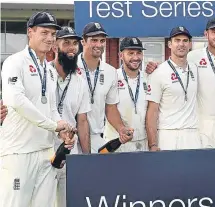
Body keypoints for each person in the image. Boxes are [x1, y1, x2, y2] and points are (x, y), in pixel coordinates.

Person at [0, 11, 74, 207]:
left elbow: (52, 108)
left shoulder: (49, 69)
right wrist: (52, 125)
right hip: (19, 153)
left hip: (45, 152)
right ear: (30, 32)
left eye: (52, 34)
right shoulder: (14, 62)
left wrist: (62, 129)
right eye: (44, 32)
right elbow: (15, 100)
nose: (49, 38)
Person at [145, 18, 215, 148]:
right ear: (206, 34)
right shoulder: (194, 56)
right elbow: (175, 63)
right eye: (214, 32)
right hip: (200, 125)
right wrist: (155, 67)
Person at [77, 22, 133, 153]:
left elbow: (110, 107)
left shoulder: (110, 71)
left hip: (97, 137)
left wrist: (121, 129)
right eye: (94, 40)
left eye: (102, 40)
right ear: (83, 41)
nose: (99, 44)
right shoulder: (70, 67)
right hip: (71, 137)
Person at [51, 26, 91, 207]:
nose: (71, 48)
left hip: (69, 152)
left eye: (75, 43)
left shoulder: (80, 81)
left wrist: (87, 159)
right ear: (54, 46)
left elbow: (82, 121)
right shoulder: (43, 74)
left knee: (68, 202)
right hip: (43, 150)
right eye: (66, 43)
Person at [145, 26, 201, 151]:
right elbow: (152, 112)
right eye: (177, 40)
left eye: (185, 41)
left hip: (192, 134)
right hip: (168, 134)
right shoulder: (158, 72)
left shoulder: (195, 68)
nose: (181, 44)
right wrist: (153, 144)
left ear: (190, 44)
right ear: (169, 44)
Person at [103, 37, 148, 152]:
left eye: (139, 53)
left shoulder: (148, 78)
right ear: (121, 55)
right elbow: (109, 107)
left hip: (143, 142)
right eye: (130, 53)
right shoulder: (112, 76)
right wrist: (121, 128)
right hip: (117, 141)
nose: (135, 57)